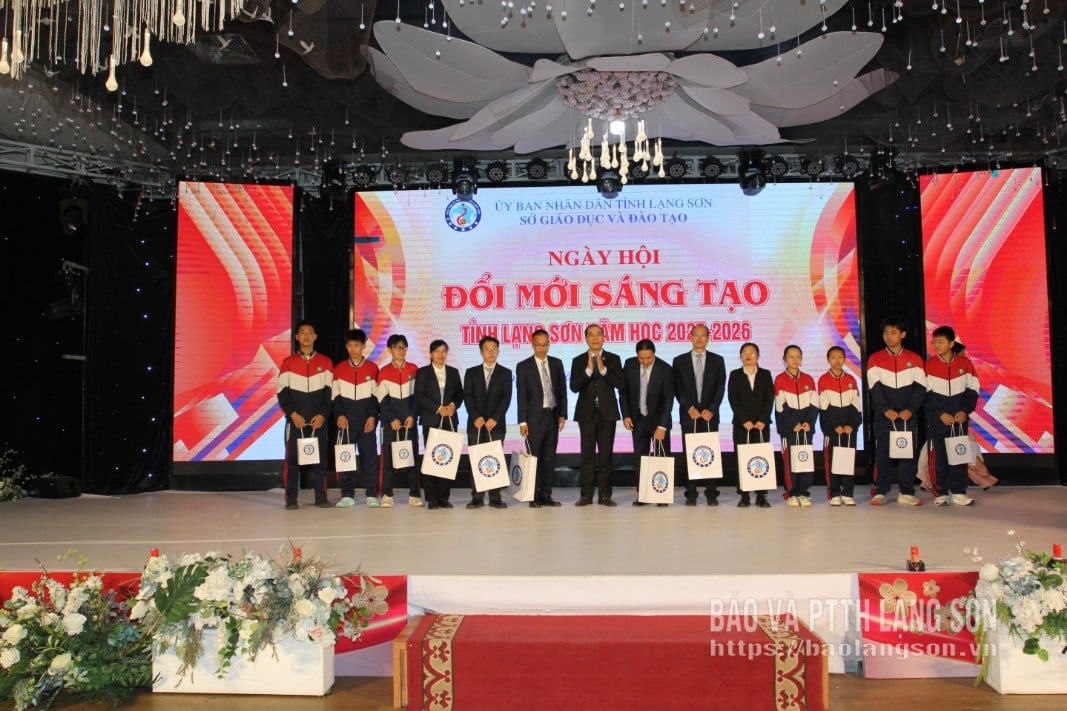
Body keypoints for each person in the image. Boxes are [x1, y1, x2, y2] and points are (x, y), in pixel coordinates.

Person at [866, 316, 926, 506]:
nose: (888, 336)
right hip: (884, 417)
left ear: (903, 334)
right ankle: (881, 491)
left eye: (893, 332)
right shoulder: (875, 359)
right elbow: (874, 389)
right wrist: (885, 410)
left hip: (908, 417)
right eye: (886, 332)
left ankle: (906, 492)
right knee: (883, 454)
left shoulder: (914, 359)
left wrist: (910, 409)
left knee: (908, 453)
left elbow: (920, 388)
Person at [276, 320, 334, 510]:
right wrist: (293, 414)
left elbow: (329, 393)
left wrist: (322, 415)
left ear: (315, 336)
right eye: (303, 332)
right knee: (292, 460)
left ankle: (321, 497)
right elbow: (282, 392)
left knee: (320, 460)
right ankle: (291, 498)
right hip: (295, 421)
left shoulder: (325, 362)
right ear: (297, 337)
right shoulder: (288, 363)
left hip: (318, 421)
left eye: (310, 332)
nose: (306, 336)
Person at [924, 326, 980, 507]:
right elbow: (925, 394)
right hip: (938, 421)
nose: (936, 346)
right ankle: (940, 492)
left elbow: (973, 390)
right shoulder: (929, 365)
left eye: (940, 342)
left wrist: (964, 410)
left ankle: (959, 492)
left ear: (951, 343)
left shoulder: (965, 364)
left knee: (959, 455)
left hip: (959, 420)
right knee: (939, 457)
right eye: (934, 342)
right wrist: (940, 413)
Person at [570, 324, 625, 506]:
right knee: (587, 456)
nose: (595, 338)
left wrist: (603, 370)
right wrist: (587, 370)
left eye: (599, 334)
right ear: (586, 339)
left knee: (606, 456)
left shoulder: (614, 359)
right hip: (586, 414)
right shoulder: (578, 360)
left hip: (607, 414)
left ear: (604, 337)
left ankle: (605, 495)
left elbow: (620, 384)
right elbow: (574, 386)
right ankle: (586, 495)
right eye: (591, 335)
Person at [672, 324, 726, 506]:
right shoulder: (679, 361)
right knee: (690, 455)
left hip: (710, 415)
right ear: (690, 337)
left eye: (703, 335)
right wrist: (689, 407)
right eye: (696, 335)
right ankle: (691, 493)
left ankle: (712, 493)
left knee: (710, 453)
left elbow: (720, 387)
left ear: (708, 338)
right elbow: (677, 388)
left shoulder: (718, 360)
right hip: (690, 415)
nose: (699, 339)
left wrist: (712, 408)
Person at [516, 329, 568, 508]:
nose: (542, 348)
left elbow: (562, 391)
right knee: (534, 458)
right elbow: (522, 396)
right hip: (533, 419)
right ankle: (534, 496)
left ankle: (546, 495)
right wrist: (522, 421)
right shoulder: (524, 366)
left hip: (552, 416)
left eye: (545, 344)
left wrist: (562, 414)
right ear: (532, 344)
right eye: (539, 345)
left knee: (549, 458)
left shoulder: (556, 363)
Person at [621, 339, 675, 506]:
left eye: (648, 358)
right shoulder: (629, 365)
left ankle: (661, 494)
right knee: (640, 458)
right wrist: (626, 415)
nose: (645, 361)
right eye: (641, 358)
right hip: (637, 420)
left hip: (659, 421)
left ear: (654, 354)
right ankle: (643, 494)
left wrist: (662, 426)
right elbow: (623, 392)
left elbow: (668, 400)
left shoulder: (665, 369)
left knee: (661, 457)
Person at [331, 328, 379, 508]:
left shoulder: (372, 369)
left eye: (357, 345)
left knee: (369, 459)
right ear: (346, 346)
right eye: (350, 345)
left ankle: (371, 494)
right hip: (346, 423)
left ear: (363, 346)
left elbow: (376, 398)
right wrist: (340, 415)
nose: (353, 349)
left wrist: (372, 417)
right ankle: (347, 494)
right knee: (345, 458)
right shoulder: (339, 368)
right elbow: (335, 396)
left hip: (366, 423)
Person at [463, 336, 512, 509]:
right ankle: (477, 497)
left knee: (494, 460)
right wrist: (475, 416)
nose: (491, 352)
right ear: (481, 352)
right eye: (487, 349)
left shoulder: (505, 373)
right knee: (476, 459)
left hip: (496, 425)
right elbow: (467, 396)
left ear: (498, 351)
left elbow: (506, 398)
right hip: (475, 424)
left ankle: (495, 497)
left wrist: (495, 418)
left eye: (494, 349)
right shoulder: (471, 372)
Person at [415, 339, 464, 509]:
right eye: (437, 351)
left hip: (449, 420)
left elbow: (460, 394)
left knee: (447, 458)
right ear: (431, 354)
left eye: (444, 351)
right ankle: (432, 498)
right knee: (432, 458)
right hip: (431, 420)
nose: (440, 355)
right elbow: (419, 396)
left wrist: (452, 405)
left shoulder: (453, 372)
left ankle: (444, 497)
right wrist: (438, 408)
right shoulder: (423, 372)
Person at [727, 342, 775, 508]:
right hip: (742, 425)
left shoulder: (765, 374)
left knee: (761, 458)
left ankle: (761, 495)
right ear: (740, 356)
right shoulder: (735, 375)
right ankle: (744, 495)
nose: (748, 355)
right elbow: (733, 399)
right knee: (742, 459)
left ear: (758, 356)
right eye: (745, 353)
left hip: (761, 425)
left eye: (752, 353)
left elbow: (769, 398)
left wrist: (763, 419)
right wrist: (744, 420)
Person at [375, 334, 420, 508]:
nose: (400, 350)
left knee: (411, 458)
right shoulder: (384, 371)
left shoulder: (414, 369)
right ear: (389, 350)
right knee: (388, 460)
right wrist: (391, 418)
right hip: (390, 424)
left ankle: (414, 494)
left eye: (403, 347)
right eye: (396, 347)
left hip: (409, 422)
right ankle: (387, 494)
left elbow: (417, 397)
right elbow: (381, 400)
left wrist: (412, 416)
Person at [774, 345, 819, 507]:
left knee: (805, 459)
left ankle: (803, 492)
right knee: (790, 462)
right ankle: (792, 493)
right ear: (784, 359)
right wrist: (793, 423)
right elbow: (781, 406)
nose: (794, 360)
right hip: (789, 429)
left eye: (798, 356)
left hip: (806, 429)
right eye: (791, 356)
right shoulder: (780, 379)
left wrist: (809, 422)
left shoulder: (808, 379)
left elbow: (814, 404)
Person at [818, 346, 862, 506]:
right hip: (832, 429)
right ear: (828, 360)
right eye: (833, 357)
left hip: (849, 429)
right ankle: (834, 493)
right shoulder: (823, 380)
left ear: (844, 359)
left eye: (840, 357)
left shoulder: (851, 379)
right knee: (833, 460)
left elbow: (856, 406)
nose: (837, 361)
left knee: (848, 460)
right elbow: (824, 407)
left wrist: (851, 425)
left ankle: (848, 493)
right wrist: (835, 426)